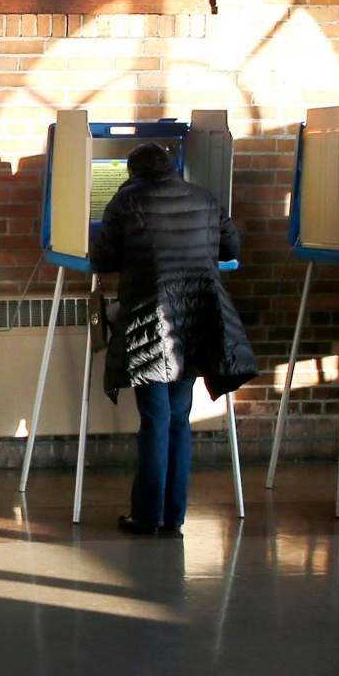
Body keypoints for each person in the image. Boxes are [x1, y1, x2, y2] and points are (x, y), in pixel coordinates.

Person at [90, 142, 257, 537]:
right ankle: (173, 517)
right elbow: (231, 248)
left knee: (155, 419)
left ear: (132, 173)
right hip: (196, 319)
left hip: (151, 320)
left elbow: (102, 257)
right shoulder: (203, 196)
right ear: (172, 167)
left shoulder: (125, 202)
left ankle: (146, 517)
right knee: (179, 419)